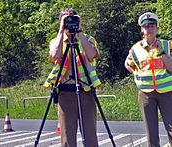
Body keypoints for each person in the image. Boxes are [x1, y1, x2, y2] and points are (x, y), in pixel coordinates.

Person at [43, 7, 101, 147]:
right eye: (66, 20)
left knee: (90, 135)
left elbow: (91, 54)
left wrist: (79, 31)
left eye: (72, 19)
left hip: (86, 89)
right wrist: (61, 31)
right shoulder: (56, 41)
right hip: (65, 90)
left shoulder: (87, 39)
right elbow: (54, 55)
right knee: (67, 138)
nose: (69, 23)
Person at [124, 12, 172, 147]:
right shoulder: (135, 49)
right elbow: (127, 64)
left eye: (152, 25)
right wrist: (136, 75)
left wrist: (161, 52)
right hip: (146, 94)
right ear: (141, 29)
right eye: (146, 26)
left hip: (166, 93)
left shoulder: (167, 45)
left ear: (156, 28)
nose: (149, 28)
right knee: (151, 134)